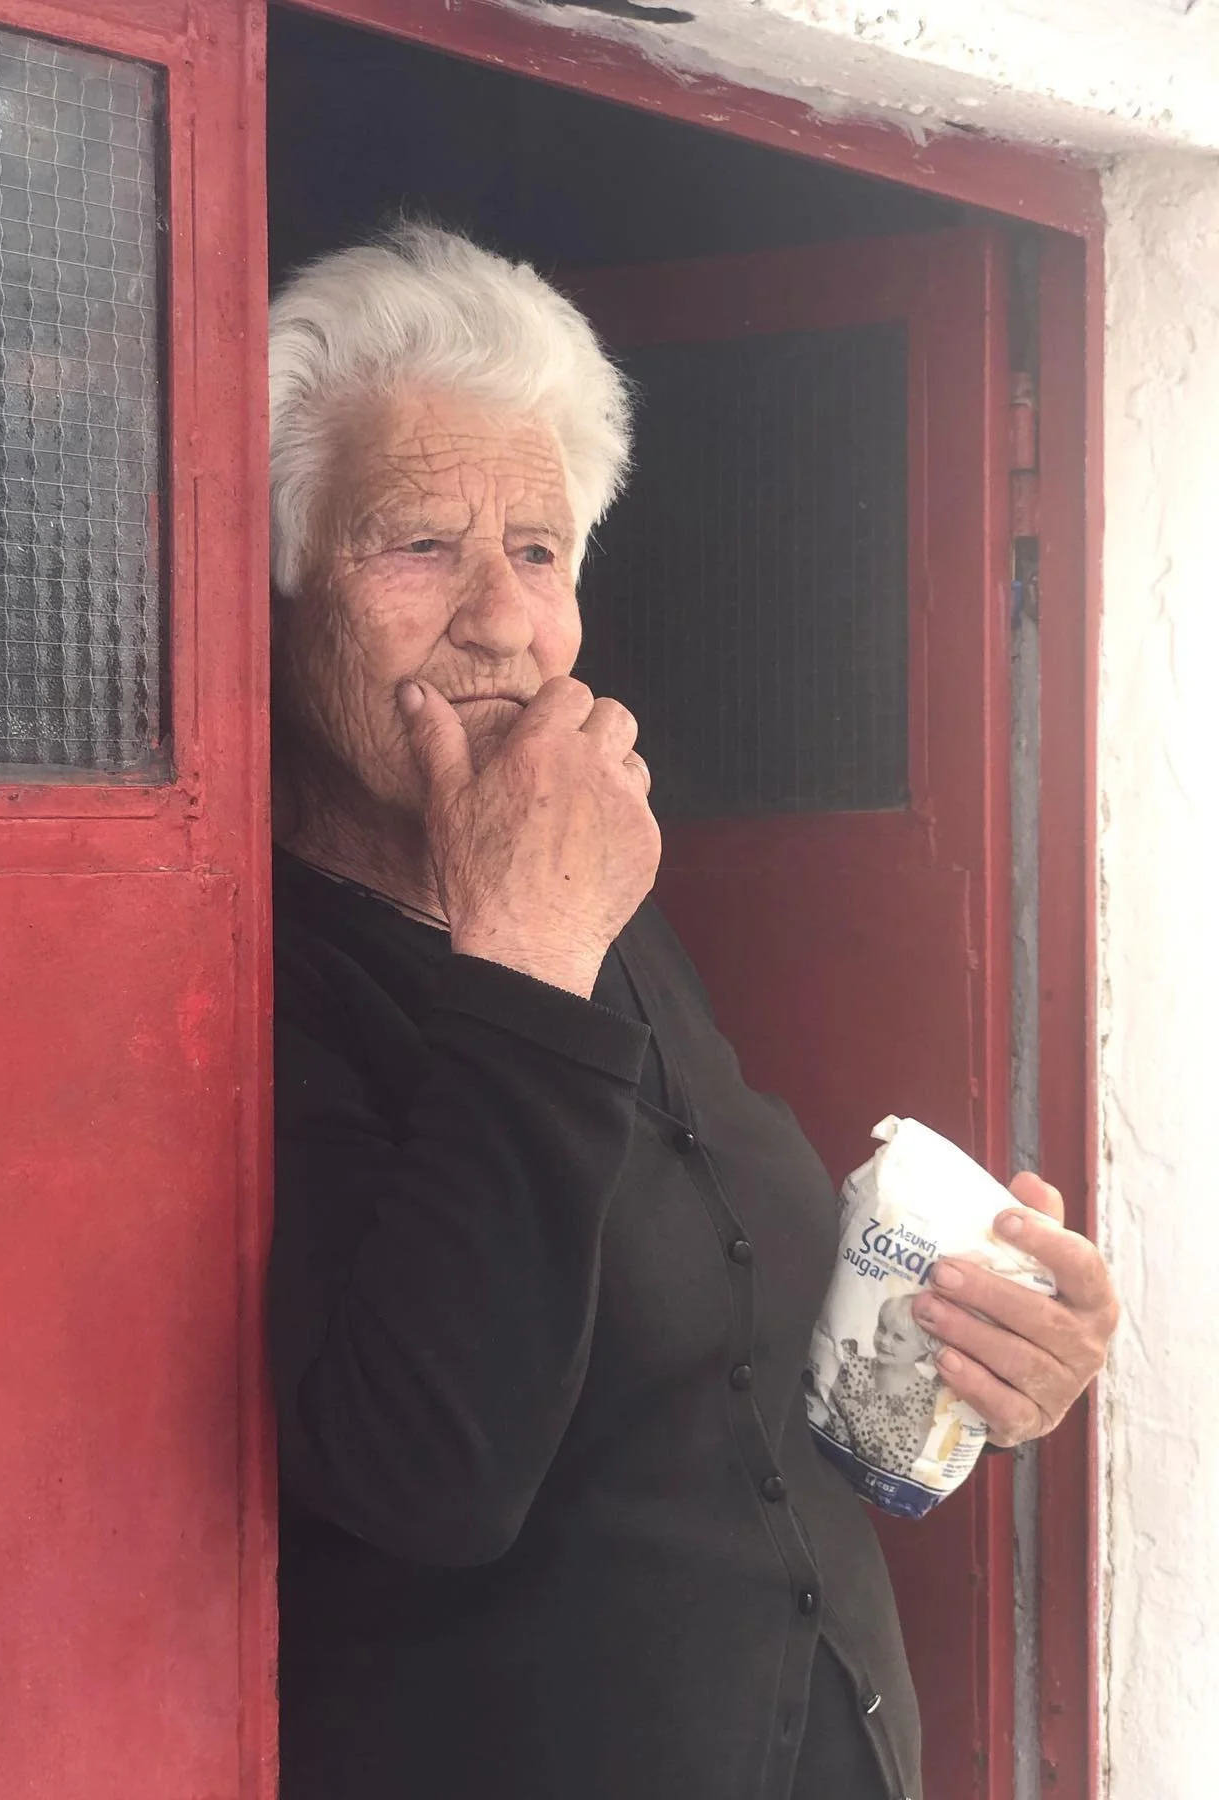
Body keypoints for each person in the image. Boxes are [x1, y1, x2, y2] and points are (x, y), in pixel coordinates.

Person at [265, 222, 1119, 1800]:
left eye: (536, 549)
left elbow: (716, 1343)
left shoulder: (610, 908)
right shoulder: (259, 983)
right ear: (283, 591)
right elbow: (421, 1475)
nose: (502, 619)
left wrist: (995, 1357)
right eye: (414, 545)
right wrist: (522, 942)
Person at [827, 1294, 945, 1473]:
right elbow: (831, 1416)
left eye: (898, 1337)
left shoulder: (924, 1395)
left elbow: (914, 1453)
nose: (884, 1341)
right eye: (882, 1328)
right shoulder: (854, 1368)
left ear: (923, 1348)